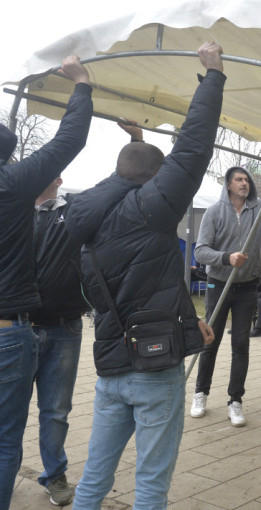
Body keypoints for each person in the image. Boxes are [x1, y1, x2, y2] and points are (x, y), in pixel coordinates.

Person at [64, 42, 222, 508]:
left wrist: (136, 143)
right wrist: (212, 75)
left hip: (110, 368)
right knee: (151, 483)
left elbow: (139, 282)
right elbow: (192, 149)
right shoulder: (152, 211)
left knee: (94, 476)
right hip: (154, 367)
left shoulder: (84, 219)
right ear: (155, 181)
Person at [0, 55, 92, 510]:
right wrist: (80, 83)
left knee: (48, 413)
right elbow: (69, 139)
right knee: (5, 435)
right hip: (11, 328)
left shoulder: (63, 208)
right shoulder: (12, 188)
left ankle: (53, 475)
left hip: (52, 323)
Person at [191, 161, 261, 426]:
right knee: (210, 340)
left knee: (240, 345)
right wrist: (225, 258)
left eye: (247, 180)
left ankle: (235, 400)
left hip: (246, 287)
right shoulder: (214, 212)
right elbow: (200, 251)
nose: (245, 183)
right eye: (239, 179)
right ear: (229, 185)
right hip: (218, 284)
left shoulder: (260, 207)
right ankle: (200, 392)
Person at [28, 176, 92, 505]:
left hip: (64, 327)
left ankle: (54, 475)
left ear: (59, 177)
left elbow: (120, 183)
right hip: (17, 327)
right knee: (6, 409)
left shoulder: (76, 208)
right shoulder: (13, 209)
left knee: (56, 410)